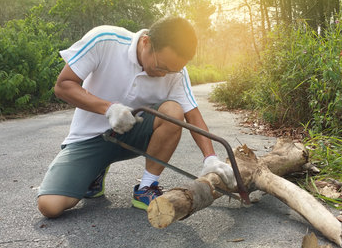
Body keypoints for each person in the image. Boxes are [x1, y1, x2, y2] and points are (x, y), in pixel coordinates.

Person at [37, 17, 236, 218]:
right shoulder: (105, 40)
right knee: (50, 206)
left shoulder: (176, 73)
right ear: (146, 42)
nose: (164, 74)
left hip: (134, 136)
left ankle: (146, 187)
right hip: (89, 139)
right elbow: (63, 86)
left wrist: (210, 158)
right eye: (161, 67)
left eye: (171, 70)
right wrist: (109, 109)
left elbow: (192, 114)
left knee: (174, 111)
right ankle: (95, 172)